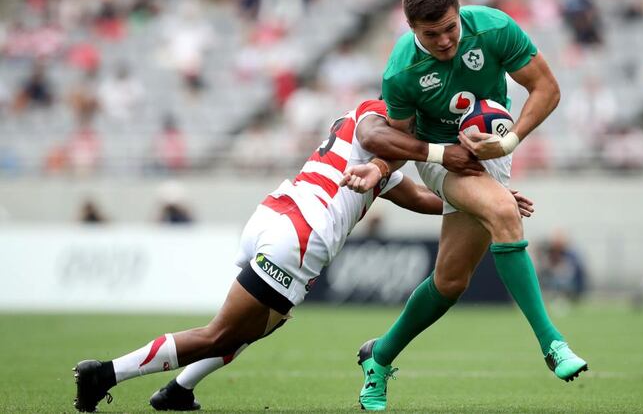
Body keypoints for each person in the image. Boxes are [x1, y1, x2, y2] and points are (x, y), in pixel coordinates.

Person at [72, 99, 532, 412]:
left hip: (277, 214)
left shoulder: (379, 147)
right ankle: (106, 374)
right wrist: (437, 150)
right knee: (219, 335)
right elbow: (379, 139)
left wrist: (491, 198)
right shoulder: (379, 119)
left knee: (262, 323)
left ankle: (178, 389)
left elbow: (422, 199)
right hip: (302, 234)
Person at [343, 0, 588, 411]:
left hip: (494, 152)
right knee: (502, 211)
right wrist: (382, 167)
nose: (443, 41)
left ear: (460, 12)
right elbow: (402, 141)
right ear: (411, 29)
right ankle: (553, 344)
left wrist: (508, 142)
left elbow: (547, 88)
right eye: (429, 34)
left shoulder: (493, 28)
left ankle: (378, 359)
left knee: (450, 281)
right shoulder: (401, 70)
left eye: (449, 28)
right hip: (442, 160)